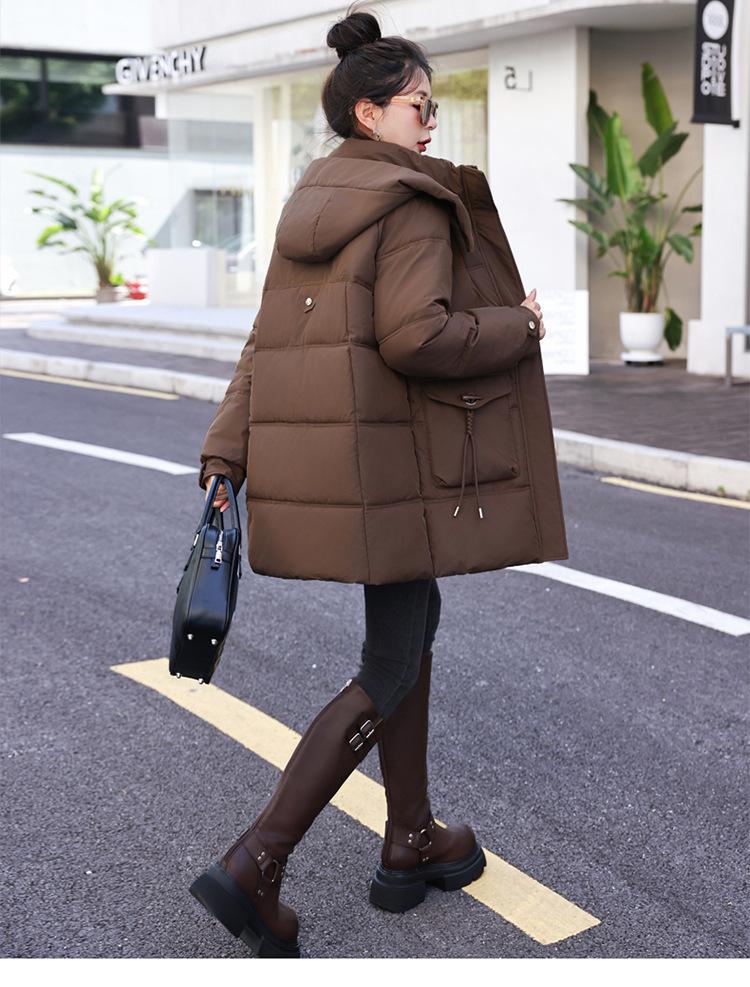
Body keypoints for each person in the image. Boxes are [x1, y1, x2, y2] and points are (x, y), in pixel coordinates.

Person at [188, 1, 566, 959]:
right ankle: (258, 859)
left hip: (351, 472)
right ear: (370, 114)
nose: (430, 121)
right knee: (391, 661)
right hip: (397, 470)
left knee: (412, 629)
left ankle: (410, 836)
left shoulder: (310, 204)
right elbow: (417, 336)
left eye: (434, 107)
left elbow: (264, 344)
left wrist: (225, 456)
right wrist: (521, 324)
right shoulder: (411, 204)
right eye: (417, 106)